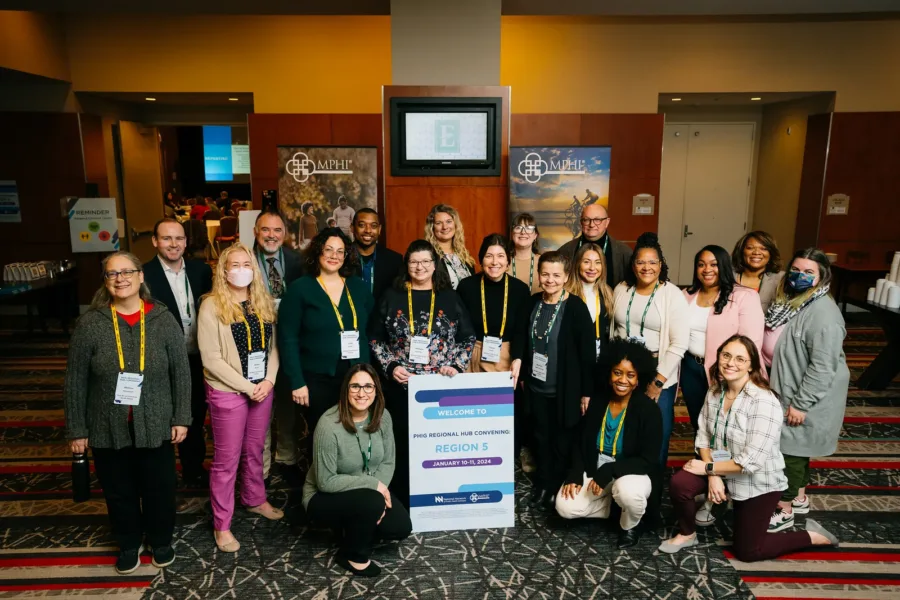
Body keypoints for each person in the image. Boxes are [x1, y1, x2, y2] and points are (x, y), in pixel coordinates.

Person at [64, 252, 191, 573]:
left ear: (141, 276)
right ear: (105, 281)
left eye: (127, 272)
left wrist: (181, 417)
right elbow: (75, 380)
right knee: (119, 490)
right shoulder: (90, 324)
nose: (120, 279)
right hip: (107, 425)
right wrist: (76, 429)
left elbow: (182, 373)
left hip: (158, 422)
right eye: (111, 274)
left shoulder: (163, 320)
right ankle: (129, 542)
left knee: (159, 488)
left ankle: (161, 540)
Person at [661, 335, 839, 559]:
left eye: (740, 359)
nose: (730, 363)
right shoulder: (715, 391)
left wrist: (709, 470)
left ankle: (811, 536)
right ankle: (688, 533)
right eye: (726, 355)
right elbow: (704, 438)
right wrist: (713, 473)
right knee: (680, 483)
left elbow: (751, 462)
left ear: (752, 365)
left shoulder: (763, 401)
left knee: (748, 551)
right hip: (720, 467)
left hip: (756, 480)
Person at [370, 239, 476, 503]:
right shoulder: (391, 295)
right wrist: (391, 366)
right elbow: (374, 337)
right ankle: (402, 497)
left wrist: (455, 365)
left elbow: (467, 338)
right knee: (402, 442)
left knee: (437, 445)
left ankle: (439, 496)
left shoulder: (450, 297)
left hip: (440, 386)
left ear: (434, 265)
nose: (420, 267)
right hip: (401, 384)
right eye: (414, 261)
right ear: (406, 265)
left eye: (426, 261)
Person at [197, 243, 283, 553]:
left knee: (255, 449)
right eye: (234, 264)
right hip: (229, 391)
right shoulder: (211, 305)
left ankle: (254, 499)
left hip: (263, 387)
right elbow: (212, 358)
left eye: (246, 264)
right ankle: (222, 524)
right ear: (223, 270)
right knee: (226, 461)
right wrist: (249, 386)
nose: (241, 269)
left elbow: (274, 347)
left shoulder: (262, 302)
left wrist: (270, 379)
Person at [764, 248, 849, 532]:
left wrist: (801, 403)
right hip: (789, 388)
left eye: (809, 272)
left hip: (803, 395)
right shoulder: (797, 301)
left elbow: (823, 367)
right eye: (796, 270)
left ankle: (784, 508)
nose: (800, 276)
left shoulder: (824, 314)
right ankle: (799, 497)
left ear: (823, 277)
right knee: (798, 449)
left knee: (789, 450)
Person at [303, 364, 412, 577]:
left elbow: (388, 462)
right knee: (371, 503)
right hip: (323, 496)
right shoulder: (328, 424)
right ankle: (352, 555)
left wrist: (378, 491)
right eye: (355, 387)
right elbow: (325, 481)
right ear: (346, 390)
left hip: (367, 493)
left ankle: (353, 524)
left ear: (376, 390)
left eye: (368, 387)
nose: (362, 393)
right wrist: (375, 487)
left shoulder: (383, 416)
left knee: (399, 527)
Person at [278, 228, 374, 469]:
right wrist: (297, 381)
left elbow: (371, 331)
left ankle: (352, 486)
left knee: (355, 435)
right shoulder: (300, 289)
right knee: (322, 437)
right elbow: (287, 338)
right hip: (316, 379)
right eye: (329, 249)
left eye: (340, 251)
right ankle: (322, 490)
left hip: (355, 377)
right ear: (318, 252)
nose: (334, 255)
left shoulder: (358, 287)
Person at [556, 339, 662, 548]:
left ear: (639, 379)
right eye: (617, 373)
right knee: (564, 507)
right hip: (597, 472)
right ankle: (615, 508)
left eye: (630, 375)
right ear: (609, 373)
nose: (623, 380)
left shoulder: (648, 411)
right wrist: (576, 471)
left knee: (629, 494)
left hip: (629, 474)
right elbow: (579, 440)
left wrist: (611, 470)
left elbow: (648, 460)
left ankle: (629, 524)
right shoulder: (598, 401)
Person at [510, 251, 594, 513]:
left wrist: (586, 392)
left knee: (562, 439)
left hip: (565, 390)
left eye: (557, 275)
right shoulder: (532, 302)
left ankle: (558, 485)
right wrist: (517, 361)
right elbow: (521, 337)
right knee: (540, 438)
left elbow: (587, 353)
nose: (550, 280)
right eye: (545, 274)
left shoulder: (576, 307)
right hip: (535, 386)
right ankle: (543, 485)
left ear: (566, 277)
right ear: (539, 275)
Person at [143, 219, 213, 498]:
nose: (173, 244)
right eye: (166, 238)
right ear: (155, 241)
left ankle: (193, 468)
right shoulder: (143, 275)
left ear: (186, 241)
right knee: (162, 413)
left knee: (195, 413)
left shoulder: (201, 271)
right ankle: (162, 471)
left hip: (197, 355)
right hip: (160, 359)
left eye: (179, 239)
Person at [611, 232, 689, 467]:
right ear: (633, 266)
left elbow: (679, 343)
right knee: (624, 427)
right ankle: (622, 479)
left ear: (661, 265)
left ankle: (652, 487)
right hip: (624, 370)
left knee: (656, 432)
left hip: (657, 370)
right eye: (641, 262)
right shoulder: (622, 289)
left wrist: (657, 383)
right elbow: (614, 331)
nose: (647, 267)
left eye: (653, 262)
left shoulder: (671, 294)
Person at [681, 245, 764, 433]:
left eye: (713, 264)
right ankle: (702, 459)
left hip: (727, 370)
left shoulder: (744, 296)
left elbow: (751, 343)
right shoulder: (687, 295)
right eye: (701, 264)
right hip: (691, 368)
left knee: (727, 423)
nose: (707, 269)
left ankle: (722, 462)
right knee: (699, 419)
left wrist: (738, 370)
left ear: (724, 266)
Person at [252, 210, 305, 479]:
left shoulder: (298, 261)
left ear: (284, 234)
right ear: (255, 232)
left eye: (277, 231)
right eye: (265, 230)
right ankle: (259, 467)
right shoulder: (244, 260)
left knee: (287, 398)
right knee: (259, 402)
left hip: (289, 339)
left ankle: (286, 457)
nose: (271, 236)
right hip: (254, 343)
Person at [457, 234, 530, 373]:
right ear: (481, 259)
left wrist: (517, 358)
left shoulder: (520, 290)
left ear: (508, 260)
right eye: (489, 256)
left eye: (501, 256)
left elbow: (521, 331)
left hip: (504, 357)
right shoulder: (467, 287)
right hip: (470, 355)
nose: (494, 262)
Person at [558, 204, 632, 289]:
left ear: (607, 222)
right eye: (586, 220)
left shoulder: (624, 252)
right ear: (581, 222)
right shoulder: (565, 251)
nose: (592, 225)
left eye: (597, 220)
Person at [564, 243, 613, 363]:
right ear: (577, 264)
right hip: (572, 361)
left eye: (598, 262)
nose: (592, 268)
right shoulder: (565, 294)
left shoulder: (607, 293)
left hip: (599, 362)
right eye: (586, 262)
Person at [350, 207, 403, 301]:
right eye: (362, 225)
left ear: (379, 229)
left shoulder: (394, 260)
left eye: (373, 226)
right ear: (352, 228)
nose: (368, 230)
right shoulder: (341, 258)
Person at [732, 231, 785, 313]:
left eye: (763, 248)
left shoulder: (780, 279)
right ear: (741, 252)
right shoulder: (728, 275)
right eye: (750, 248)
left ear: (771, 253)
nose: (756, 252)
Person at [424, 204, 475, 289]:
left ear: (455, 224)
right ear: (432, 227)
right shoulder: (428, 257)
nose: (445, 227)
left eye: (448, 221)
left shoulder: (464, 256)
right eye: (438, 223)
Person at [509, 213, 542, 294]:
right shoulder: (502, 262)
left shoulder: (543, 262)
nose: (523, 232)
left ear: (535, 235)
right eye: (518, 227)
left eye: (529, 228)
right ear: (512, 234)